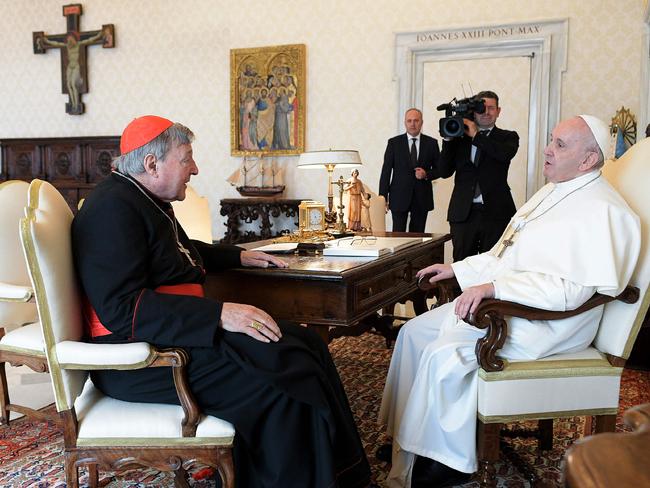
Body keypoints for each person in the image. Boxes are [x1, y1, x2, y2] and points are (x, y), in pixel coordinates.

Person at [71, 115, 372, 488]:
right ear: (152, 164)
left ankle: (343, 476)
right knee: (285, 380)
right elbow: (122, 309)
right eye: (187, 158)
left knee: (306, 344)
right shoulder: (111, 209)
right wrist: (219, 315)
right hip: (139, 360)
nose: (194, 168)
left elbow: (177, 252)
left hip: (169, 334)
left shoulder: (141, 198)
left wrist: (237, 256)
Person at [377, 115, 640, 488]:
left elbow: (572, 293)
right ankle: (408, 439)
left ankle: (445, 464)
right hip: (516, 303)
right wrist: (457, 270)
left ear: (588, 160)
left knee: (443, 355)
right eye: (551, 140)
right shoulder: (552, 192)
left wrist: (494, 290)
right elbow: (506, 256)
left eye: (560, 145)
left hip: (551, 321)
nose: (547, 150)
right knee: (414, 333)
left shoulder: (604, 210)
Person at [438, 90, 520, 261]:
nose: (486, 112)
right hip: (463, 213)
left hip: (496, 213)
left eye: (491, 108)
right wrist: (447, 140)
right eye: (482, 108)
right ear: (474, 111)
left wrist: (476, 134)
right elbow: (444, 171)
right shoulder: (459, 139)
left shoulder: (508, 137)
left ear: (498, 111)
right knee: (461, 265)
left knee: (491, 265)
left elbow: (502, 155)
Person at [379, 108, 440, 232]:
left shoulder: (431, 143)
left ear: (422, 123)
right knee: (397, 236)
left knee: (417, 237)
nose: (413, 124)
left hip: (422, 198)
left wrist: (426, 174)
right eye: (409, 121)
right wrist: (383, 197)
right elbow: (386, 171)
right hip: (398, 197)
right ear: (405, 123)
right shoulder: (394, 143)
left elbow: (440, 170)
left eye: (416, 120)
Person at [40, 30, 105, 113]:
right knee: (68, 85)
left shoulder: (79, 44)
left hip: (76, 67)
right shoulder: (67, 46)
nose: (70, 41)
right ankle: (73, 103)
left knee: (73, 84)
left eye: (71, 39)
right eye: (68, 40)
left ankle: (76, 104)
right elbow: (56, 44)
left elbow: (90, 40)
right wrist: (46, 41)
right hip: (70, 67)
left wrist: (99, 35)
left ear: (74, 39)